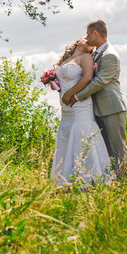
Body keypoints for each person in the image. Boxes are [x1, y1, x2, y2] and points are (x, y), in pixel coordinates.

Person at [62, 20, 127, 179]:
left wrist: (77, 96)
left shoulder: (110, 55)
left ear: (95, 33)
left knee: (117, 147)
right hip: (98, 108)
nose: (86, 37)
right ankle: (112, 180)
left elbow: (99, 82)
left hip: (111, 107)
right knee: (106, 148)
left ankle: (126, 181)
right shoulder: (96, 53)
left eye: (88, 34)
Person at [51, 36, 113, 188]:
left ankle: (90, 179)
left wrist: (69, 94)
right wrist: (54, 85)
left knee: (82, 134)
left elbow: (87, 78)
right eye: (85, 38)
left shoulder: (86, 57)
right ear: (78, 42)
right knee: (67, 135)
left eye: (91, 44)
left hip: (80, 104)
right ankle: (65, 179)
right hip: (66, 108)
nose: (89, 41)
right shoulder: (65, 60)